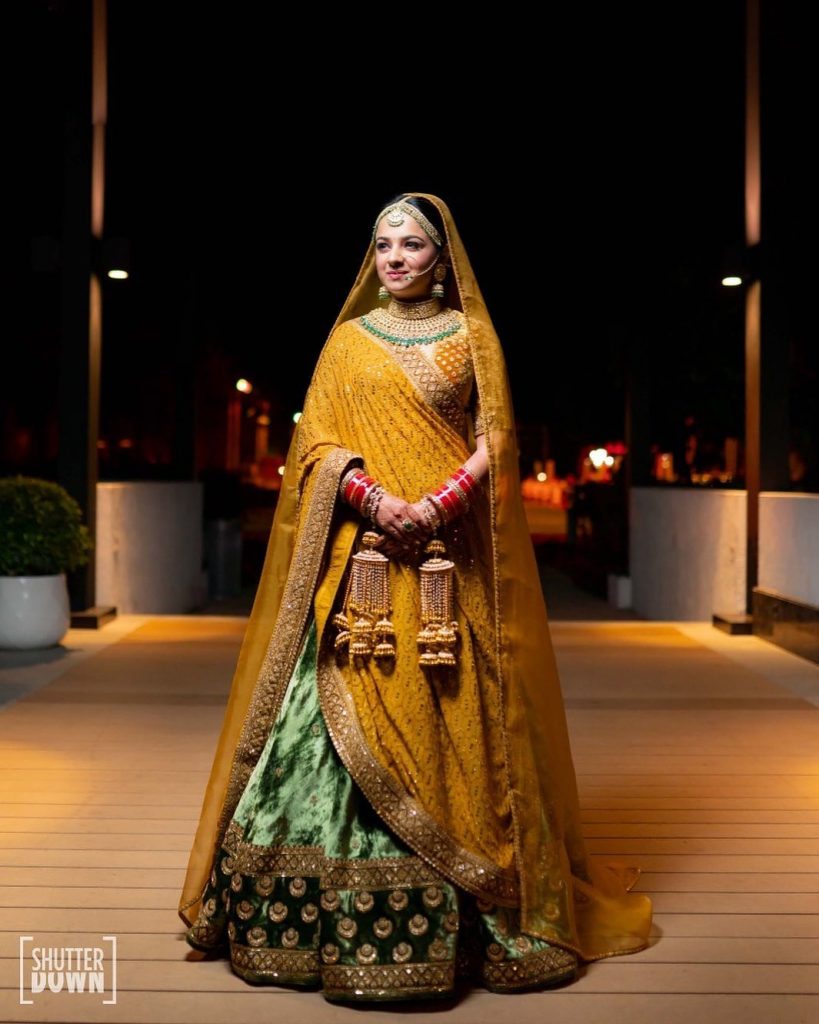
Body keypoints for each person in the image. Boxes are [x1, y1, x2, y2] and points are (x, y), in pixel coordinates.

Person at [178, 192, 652, 1002]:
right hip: (358, 561)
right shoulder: (347, 344)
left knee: (458, 710)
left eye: (412, 246)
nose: (396, 259)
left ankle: (476, 921)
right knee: (328, 719)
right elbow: (315, 443)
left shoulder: (471, 338)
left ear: (442, 257)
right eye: (383, 245)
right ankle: (306, 926)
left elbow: (494, 439)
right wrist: (365, 496)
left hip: (446, 560)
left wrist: (438, 502)